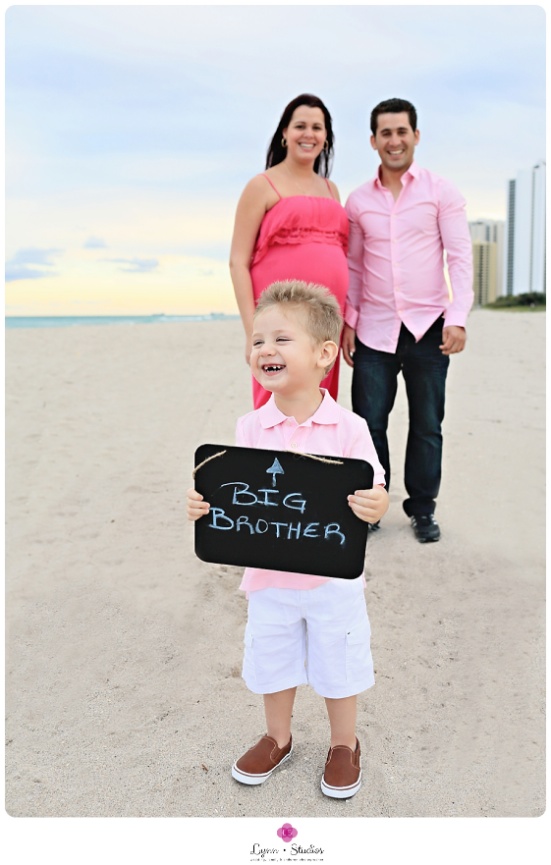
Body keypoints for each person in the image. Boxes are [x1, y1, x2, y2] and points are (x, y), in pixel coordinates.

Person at [188, 280, 389, 799]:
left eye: (281, 339)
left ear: (325, 353)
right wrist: (204, 505)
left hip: (332, 580)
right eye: (257, 341)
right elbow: (235, 494)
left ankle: (344, 744)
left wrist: (376, 503)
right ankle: (278, 737)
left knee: (338, 664)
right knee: (272, 660)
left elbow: (377, 487)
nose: (265, 350)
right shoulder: (250, 426)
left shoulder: (349, 428)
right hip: (269, 577)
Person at [342, 98, 473, 543]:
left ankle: (422, 510)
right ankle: (372, 508)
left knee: (427, 425)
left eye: (402, 132)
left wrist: (458, 316)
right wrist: (349, 321)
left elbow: (459, 257)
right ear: (373, 141)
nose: (394, 141)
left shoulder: (442, 192)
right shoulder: (358, 201)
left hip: (429, 327)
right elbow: (355, 267)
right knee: (368, 423)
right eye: (385, 133)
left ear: (416, 136)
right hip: (374, 330)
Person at [229, 94, 349, 409]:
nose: (308, 134)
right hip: (277, 322)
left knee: (320, 411)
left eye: (317, 128)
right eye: (300, 126)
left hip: (323, 323)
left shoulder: (331, 189)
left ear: (326, 138)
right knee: (275, 410)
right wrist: (252, 332)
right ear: (284, 133)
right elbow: (238, 262)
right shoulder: (262, 185)